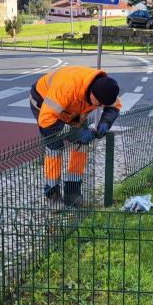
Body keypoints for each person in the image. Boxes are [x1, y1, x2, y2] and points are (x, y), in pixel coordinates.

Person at [29, 66, 122, 207]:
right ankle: (52, 195)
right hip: (44, 104)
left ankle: (72, 192)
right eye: (99, 103)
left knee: (81, 145)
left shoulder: (104, 88)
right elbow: (46, 120)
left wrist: (105, 123)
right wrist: (76, 134)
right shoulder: (67, 88)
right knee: (55, 145)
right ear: (92, 94)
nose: (101, 106)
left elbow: (115, 105)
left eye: (104, 104)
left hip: (72, 109)